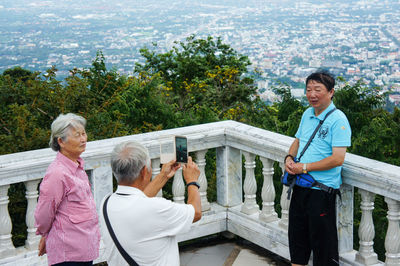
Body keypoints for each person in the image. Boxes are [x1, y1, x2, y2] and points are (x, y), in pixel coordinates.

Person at [284, 71, 351, 266]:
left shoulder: (338, 120)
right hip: (300, 186)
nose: (312, 94)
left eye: (318, 90)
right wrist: (289, 157)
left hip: (321, 191)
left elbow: (338, 158)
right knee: (298, 244)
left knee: (323, 249)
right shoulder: (307, 114)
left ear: (331, 92)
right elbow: (298, 140)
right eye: (309, 90)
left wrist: (303, 167)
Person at [100, 141, 202, 266]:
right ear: (144, 171)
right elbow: (195, 213)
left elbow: (138, 201)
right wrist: (192, 181)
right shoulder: (156, 208)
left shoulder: (106, 203)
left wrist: (163, 176)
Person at [34, 113, 100, 266]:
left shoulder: (76, 165)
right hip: (69, 252)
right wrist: (45, 234)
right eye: (77, 135)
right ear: (61, 141)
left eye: (84, 133)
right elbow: (44, 213)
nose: (83, 139)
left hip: (83, 248)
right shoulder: (57, 173)